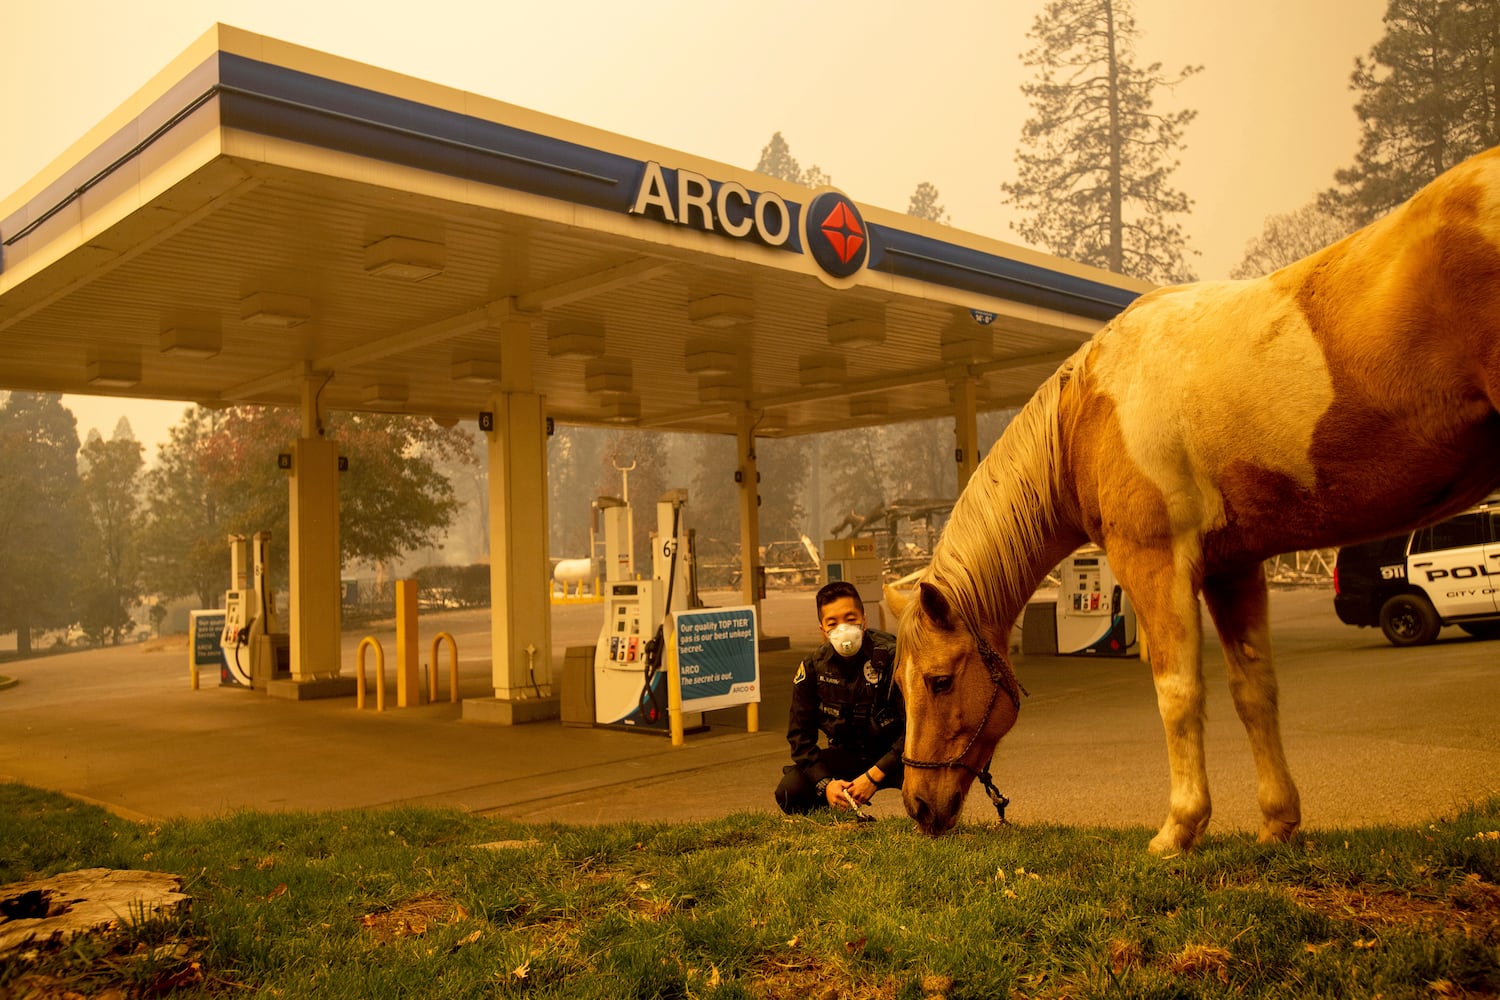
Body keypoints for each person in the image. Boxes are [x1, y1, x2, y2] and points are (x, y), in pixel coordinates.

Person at [775, 580, 905, 816]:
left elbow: (917, 728)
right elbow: (800, 738)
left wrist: (873, 777)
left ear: (864, 620)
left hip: (896, 756)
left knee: (930, 787)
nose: (843, 629)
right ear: (823, 630)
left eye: (851, 619)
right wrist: (826, 784)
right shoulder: (813, 667)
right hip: (848, 753)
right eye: (832, 623)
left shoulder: (894, 656)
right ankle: (840, 808)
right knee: (789, 791)